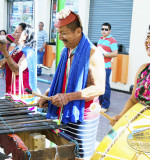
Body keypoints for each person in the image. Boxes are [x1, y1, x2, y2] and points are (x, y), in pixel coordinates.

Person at [38, 8, 105, 159]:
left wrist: (67, 97)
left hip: (84, 115)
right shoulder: (67, 50)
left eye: (64, 33)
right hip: (67, 112)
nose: (60, 37)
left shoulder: (93, 53)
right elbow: (63, 79)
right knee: (67, 154)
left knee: (80, 156)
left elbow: (99, 88)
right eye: (58, 33)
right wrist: (48, 93)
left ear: (78, 31)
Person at [0, 23, 37, 104]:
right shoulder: (15, 49)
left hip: (23, 95)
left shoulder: (29, 51)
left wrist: (5, 52)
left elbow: (17, 70)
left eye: (17, 32)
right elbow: (1, 64)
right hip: (11, 92)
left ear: (25, 35)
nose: (13, 34)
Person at [97, 23, 118, 113]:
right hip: (98, 66)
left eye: (106, 29)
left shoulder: (112, 41)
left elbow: (115, 53)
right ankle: (99, 103)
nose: (104, 31)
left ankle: (105, 105)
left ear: (109, 31)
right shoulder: (100, 40)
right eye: (102, 29)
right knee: (99, 86)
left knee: (105, 87)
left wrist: (103, 54)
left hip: (106, 67)